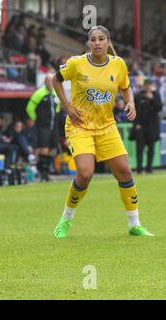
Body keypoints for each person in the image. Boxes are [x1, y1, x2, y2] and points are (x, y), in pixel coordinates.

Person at [52, 25, 153, 238]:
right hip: (80, 126)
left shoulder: (118, 65)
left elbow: (125, 87)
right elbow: (56, 80)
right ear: (89, 43)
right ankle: (66, 219)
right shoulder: (76, 64)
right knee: (86, 173)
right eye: (93, 39)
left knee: (125, 172)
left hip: (107, 126)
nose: (97, 43)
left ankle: (134, 224)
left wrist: (131, 102)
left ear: (108, 43)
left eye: (101, 39)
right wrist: (67, 107)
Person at [26, 73, 61, 182]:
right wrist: (35, 118)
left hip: (53, 126)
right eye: (48, 81)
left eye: (52, 81)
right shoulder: (39, 93)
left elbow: (58, 106)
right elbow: (29, 107)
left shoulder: (55, 93)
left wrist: (57, 113)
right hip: (43, 126)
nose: (50, 83)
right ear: (45, 82)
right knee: (44, 149)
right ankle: (43, 173)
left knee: (51, 149)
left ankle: (46, 172)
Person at [132, 79, 163, 174]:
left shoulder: (156, 95)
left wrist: (152, 98)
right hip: (140, 127)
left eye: (150, 85)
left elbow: (159, 107)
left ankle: (149, 168)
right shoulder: (138, 96)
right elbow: (134, 110)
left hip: (152, 127)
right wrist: (136, 123)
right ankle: (139, 169)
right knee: (139, 149)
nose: (148, 87)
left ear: (152, 86)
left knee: (151, 149)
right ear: (144, 86)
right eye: (147, 85)